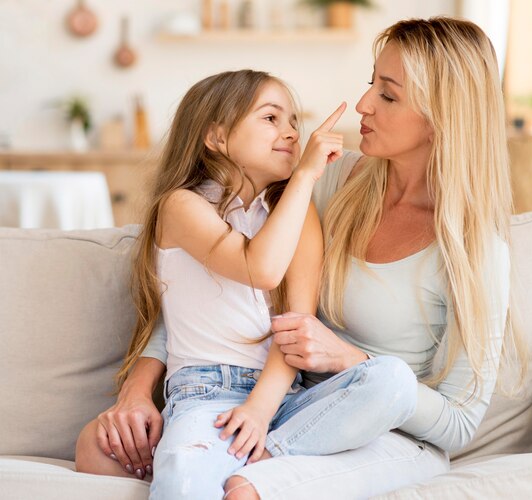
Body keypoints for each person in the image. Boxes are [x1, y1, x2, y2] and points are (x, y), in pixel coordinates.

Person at [77, 16, 528, 499]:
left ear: (443, 116)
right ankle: (242, 454)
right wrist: (136, 391)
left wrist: (347, 359)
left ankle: (257, 461)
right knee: (98, 448)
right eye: (370, 83)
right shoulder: (325, 181)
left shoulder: (476, 250)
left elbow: (458, 424)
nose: (362, 105)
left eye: (388, 95)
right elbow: (210, 292)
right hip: (290, 401)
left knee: (365, 397)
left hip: (385, 433)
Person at [75, 69, 420, 499]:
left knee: (394, 380)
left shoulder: (299, 213)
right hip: (208, 398)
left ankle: (266, 461)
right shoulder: (183, 206)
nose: (292, 133)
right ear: (217, 137)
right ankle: (237, 462)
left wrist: (260, 411)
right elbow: (260, 268)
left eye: (294, 121)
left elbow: (297, 325)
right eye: (271, 118)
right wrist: (305, 178)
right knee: (182, 473)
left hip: (282, 402)